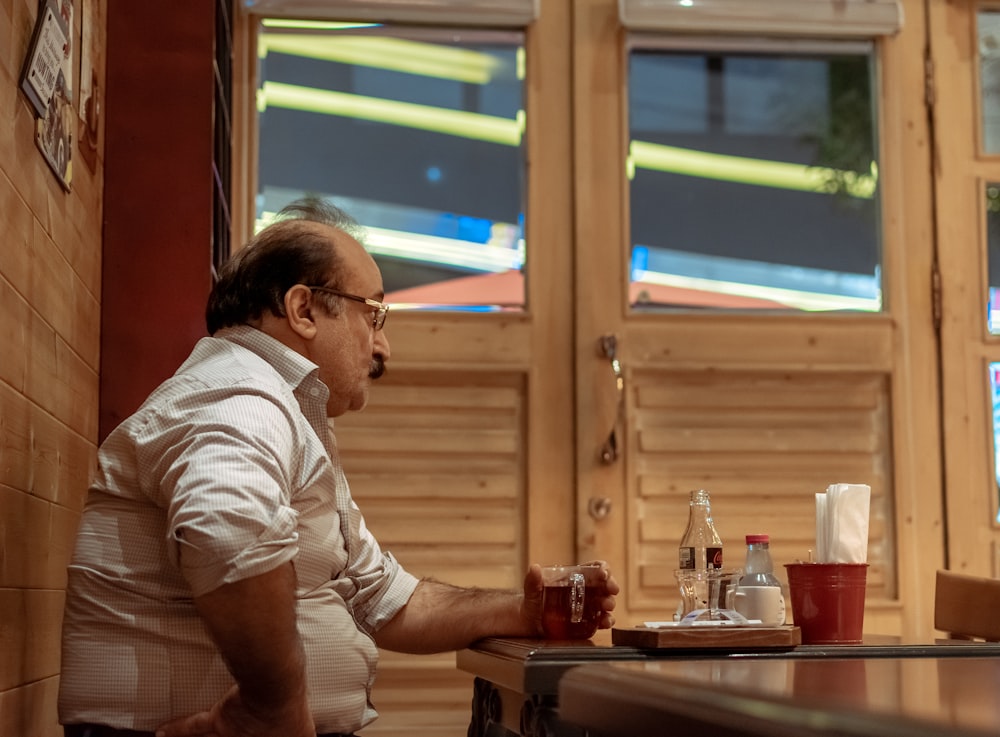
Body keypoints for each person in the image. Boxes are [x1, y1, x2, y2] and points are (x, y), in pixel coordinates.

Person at [58, 198, 619, 737]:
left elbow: (383, 597)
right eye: (374, 314)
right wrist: (270, 709)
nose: (384, 348)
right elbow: (229, 531)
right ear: (303, 310)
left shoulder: (281, 411)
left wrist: (521, 610)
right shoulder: (239, 395)